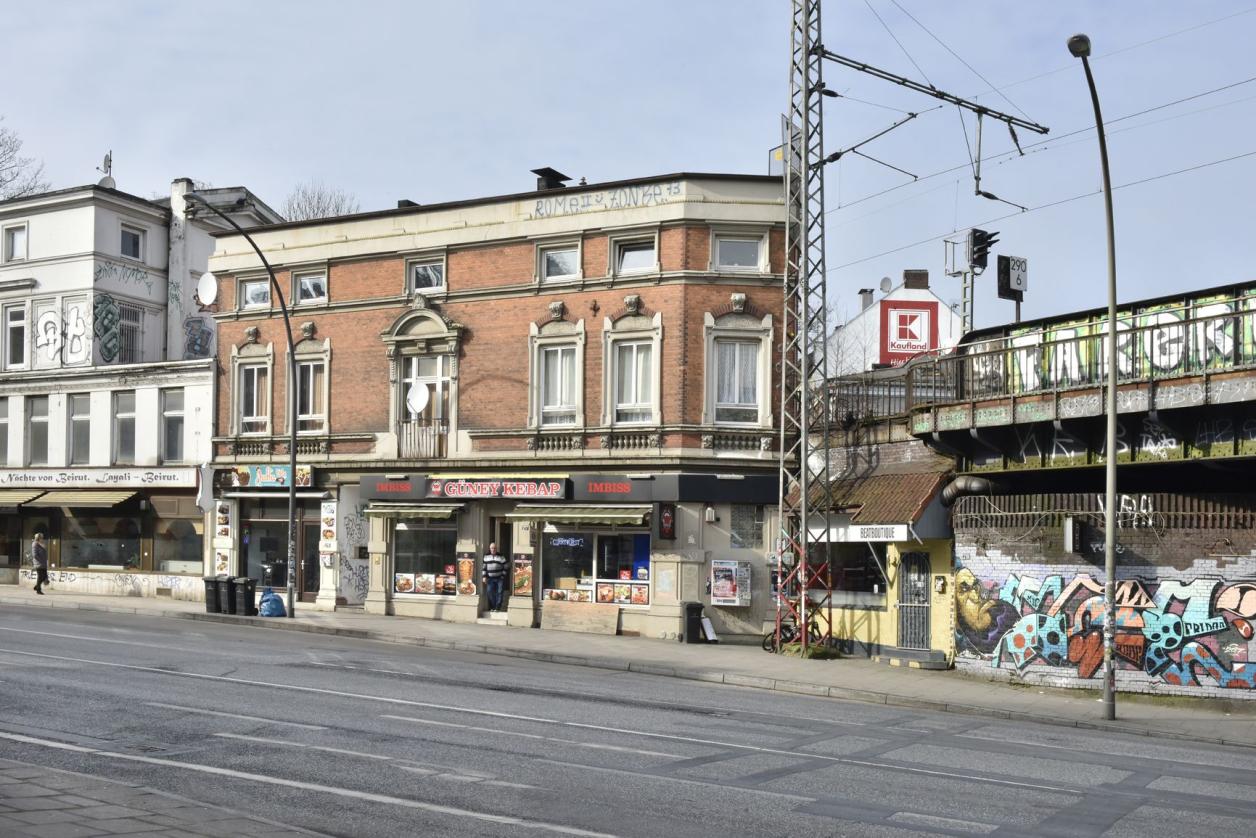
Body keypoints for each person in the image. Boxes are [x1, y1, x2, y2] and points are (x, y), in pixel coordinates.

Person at [481, 542, 507, 612]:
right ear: (490, 549)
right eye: (492, 548)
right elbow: (484, 567)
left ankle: (498, 607)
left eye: (494, 548)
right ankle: (493, 606)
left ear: (496, 549)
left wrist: (502, 576)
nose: (493, 549)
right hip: (490, 578)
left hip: (499, 578)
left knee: (499, 592)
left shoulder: (501, 556)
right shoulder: (486, 556)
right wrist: (484, 576)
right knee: (489, 592)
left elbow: (505, 567)